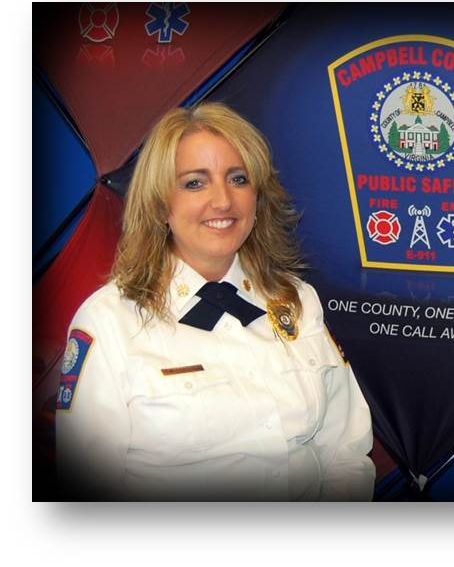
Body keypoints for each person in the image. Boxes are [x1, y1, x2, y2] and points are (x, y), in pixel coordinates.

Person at [55, 102, 375, 501]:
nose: (223, 201)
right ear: (160, 204)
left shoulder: (297, 301)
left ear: (258, 198)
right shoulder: (109, 322)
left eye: (238, 179)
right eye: (195, 183)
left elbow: (345, 453)